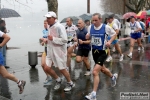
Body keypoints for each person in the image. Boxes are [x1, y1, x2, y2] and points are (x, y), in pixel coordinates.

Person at [85, 13, 118, 100]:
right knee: (102, 69)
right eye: (93, 20)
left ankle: (93, 94)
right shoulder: (90, 27)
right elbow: (88, 36)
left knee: (95, 72)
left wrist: (109, 42)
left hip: (103, 51)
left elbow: (115, 34)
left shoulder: (105, 27)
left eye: (96, 20)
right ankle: (113, 77)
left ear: (100, 19)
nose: (94, 22)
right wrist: (87, 36)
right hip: (94, 51)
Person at [43, 11, 75, 91]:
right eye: (47, 18)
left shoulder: (59, 27)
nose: (47, 20)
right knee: (46, 68)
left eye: (49, 18)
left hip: (59, 51)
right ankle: (58, 80)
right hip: (50, 50)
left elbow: (64, 40)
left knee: (62, 69)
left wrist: (53, 39)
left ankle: (70, 83)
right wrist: (46, 40)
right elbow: (50, 37)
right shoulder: (49, 26)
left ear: (54, 18)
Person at [40, 20, 52, 86]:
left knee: (50, 66)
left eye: (46, 23)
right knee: (42, 64)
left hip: (52, 50)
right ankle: (48, 77)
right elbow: (44, 39)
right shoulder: (44, 31)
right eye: (44, 23)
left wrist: (45, 40)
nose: (44, 24)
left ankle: (64, 74)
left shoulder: (51, 30)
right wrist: (43, 42)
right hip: (46, 49)